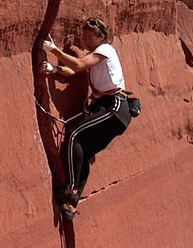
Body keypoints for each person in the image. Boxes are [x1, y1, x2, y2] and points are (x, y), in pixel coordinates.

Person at [40, 17, 132, 220]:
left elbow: (79, 64)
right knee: (85, 152)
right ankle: (71, 205)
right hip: (115, 112)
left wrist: (53, 49)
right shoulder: (96, 55)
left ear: (102, 36)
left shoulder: (106, 50)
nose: (87, 41)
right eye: (85, 38)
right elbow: (73, 70)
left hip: (114, 106)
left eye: (90, 37)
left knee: (73, 135)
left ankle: (71, 190)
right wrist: (55, 70)